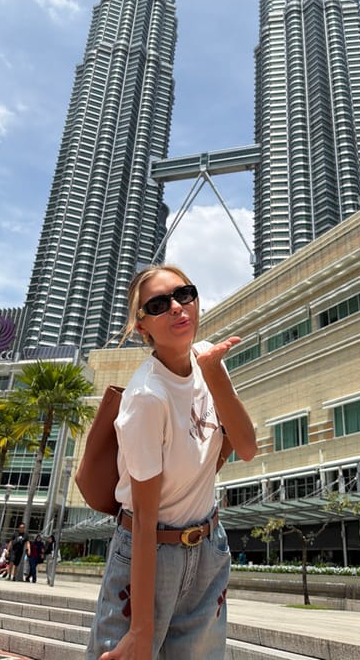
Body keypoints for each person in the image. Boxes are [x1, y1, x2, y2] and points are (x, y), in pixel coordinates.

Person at [86, 265, 257, 660]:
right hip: (149, 551)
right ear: (143, 327)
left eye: (185, 294)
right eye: (159, 304)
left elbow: (246, 446)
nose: (178, 308)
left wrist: (214, 373)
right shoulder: (147, 397)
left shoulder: (207, 358)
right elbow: (146, 520)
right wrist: (141, 631)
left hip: (209, 547)